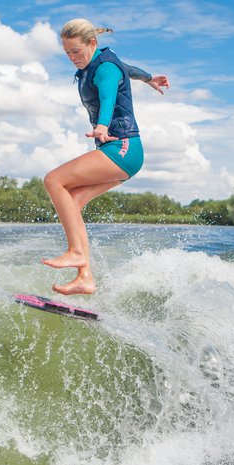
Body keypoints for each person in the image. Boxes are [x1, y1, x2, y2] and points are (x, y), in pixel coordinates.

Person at [42, 18, 169, 295]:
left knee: (53, 181)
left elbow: (109, 97)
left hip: (123, 148)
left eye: (76, 51)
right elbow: (130, 69)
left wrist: (101, 125)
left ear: (92, 43)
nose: (72, 58)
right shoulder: (102, 64)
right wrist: (149, 78)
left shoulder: (106, 69)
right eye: (67, 53)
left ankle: (76, 251)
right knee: (73, 200)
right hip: (120, 153)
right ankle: (85, 278)